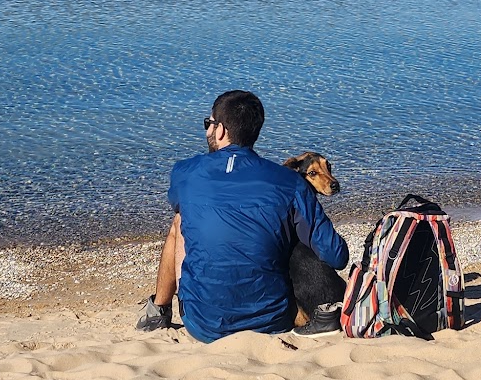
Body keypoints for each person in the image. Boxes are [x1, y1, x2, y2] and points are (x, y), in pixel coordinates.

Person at [135, 90, 349, 342]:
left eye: (209, 124)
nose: (207, 131)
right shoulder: (290, 181)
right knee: (280, 225)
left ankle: (159, 310)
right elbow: (337, 256)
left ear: (221, 130)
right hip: (273, 319)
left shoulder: (184, 173)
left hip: (203, 323)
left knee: (181, 220)